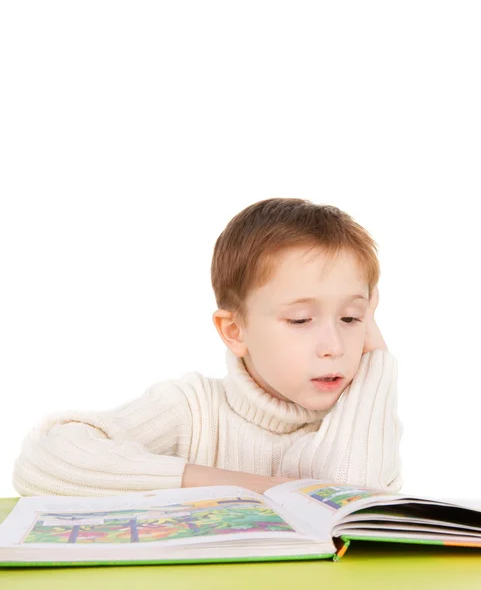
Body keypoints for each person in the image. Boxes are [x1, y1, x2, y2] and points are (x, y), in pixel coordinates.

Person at [12, 197, 403, 497]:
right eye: (300, 320)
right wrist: (238, 485)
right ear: (235, 331)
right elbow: (44, 461)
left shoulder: (363, 418)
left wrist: (378, 363)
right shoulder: (193, 408)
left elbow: (351, 499)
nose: (334, 346)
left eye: (352, 319)